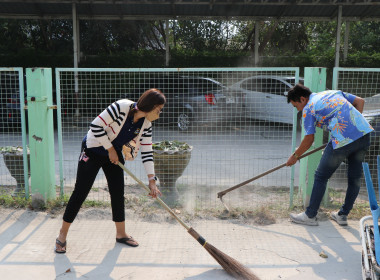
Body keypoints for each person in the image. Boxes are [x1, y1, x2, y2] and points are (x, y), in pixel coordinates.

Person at [54, 89, 166, 253]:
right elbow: (95, 126)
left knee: (117, 192)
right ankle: (62, 235)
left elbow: (147, 151)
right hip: (92, 150)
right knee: (80, 192)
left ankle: (121, 234)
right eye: (159, 109)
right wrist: (110, 149)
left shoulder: (146, 124)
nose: (160, 113)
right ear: (151, 106)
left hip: (114, 154)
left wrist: (152, 180)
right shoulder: (121, 107)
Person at [286, 84, 373, 226]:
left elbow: (309, 139)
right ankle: (343, 215)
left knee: (321, 176)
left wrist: (294, 156)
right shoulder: (331, 93)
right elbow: (360, 101)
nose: (298, 109)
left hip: (343, 139)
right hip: (363, 134)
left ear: (302, 99)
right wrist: (354, 127)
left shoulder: (308, 108)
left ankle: (310, 215)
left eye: (296, 106)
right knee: (354, 178)